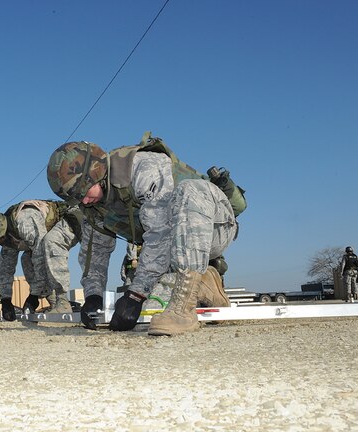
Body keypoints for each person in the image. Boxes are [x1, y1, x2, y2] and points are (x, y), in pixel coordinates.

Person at [47, 132, 246, 336]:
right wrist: (93, 297)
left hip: (215, 227)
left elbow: (161, 233)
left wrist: (135, 295)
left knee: (189, 190)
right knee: (154, 302)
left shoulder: (143, 167)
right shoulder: (94, 206)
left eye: (83, 193)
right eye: (75, 199)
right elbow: (94, 251)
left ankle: (183, 310)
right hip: (173, 248)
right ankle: (204, 283)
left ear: (95, 172)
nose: (84, 202)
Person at [0, 200, 82, 321]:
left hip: (70, 219)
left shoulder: (24, 221)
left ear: (0, 233)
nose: (0, 245)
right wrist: (6, 300)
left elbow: (40, 255)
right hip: (46, 237)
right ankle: (53, 302)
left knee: (50, 244)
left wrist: (34, 295)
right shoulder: (7, 235)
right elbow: (5, 266)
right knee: (26, 258)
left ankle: (62, 301)